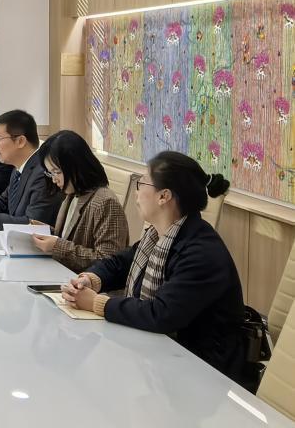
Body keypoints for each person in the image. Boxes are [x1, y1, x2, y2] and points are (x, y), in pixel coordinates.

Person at [61, 151, 249, 386]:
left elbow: (161, 314)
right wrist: (91, 279)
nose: (137, 192)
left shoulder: (201, 252)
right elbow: (120, 263)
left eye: (141, 183)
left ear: (163, 196)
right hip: (164, 355)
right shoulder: (159, 235)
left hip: (203, 371)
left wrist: (97, 303)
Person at [29, 130, 129, 272]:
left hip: (85, 283)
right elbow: (70, 236)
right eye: (50, 173)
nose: (54, 179)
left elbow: (108, 261)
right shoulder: (72, 194)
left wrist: (57, 246)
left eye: (57, 172)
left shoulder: (105, 203)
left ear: (77, 166)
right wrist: (46, 232)